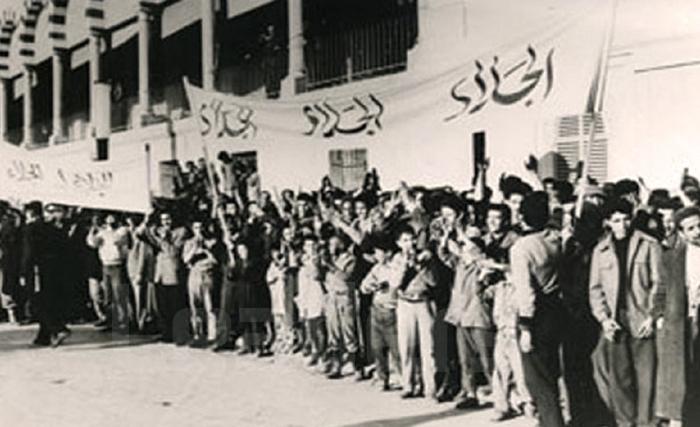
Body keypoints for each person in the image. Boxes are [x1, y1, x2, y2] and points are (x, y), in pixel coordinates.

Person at [589, 198, 664, 427]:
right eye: (616, 220)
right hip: (616, 320)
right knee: (620, 378)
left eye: (626, 218)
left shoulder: (649, 244)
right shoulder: (600, 250)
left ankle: (647, 423)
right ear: (608, 223)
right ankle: (625, 422)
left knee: (646, 377)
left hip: (641, 317)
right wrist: (604, 319)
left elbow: (659, 284)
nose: (622, 224)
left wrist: (652, 316)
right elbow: (595, 289)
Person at [510, 191, 566, 427]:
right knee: (551, 374)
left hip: (536, 314)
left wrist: (525, 328)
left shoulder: (521, 248)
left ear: (523, 217)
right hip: (556, 309)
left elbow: (526, 291)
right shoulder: (556, 240)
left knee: (538, 381)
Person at [438, 230, 495, 409]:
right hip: (461, 317)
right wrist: (446, 236)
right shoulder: (460, 265)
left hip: (478, 317)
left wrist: (467, 242)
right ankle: (470, 393)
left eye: (472, 249)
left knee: (487, 359)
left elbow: (485, 271)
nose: (466, 252)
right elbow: (444, 254)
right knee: (465, 359)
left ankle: (499, 393)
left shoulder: (484, 266)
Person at [656, 206, 700, 426]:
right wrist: (659, 315)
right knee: (682, 374)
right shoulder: (670, 258)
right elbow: (661, 290)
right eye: (691, 228)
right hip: (682, 323)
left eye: (699, 225)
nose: (697, 231)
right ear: (681, 233)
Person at [390, 224, 439, 400]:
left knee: (429, 347)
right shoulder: (396, 259)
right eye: (404, 241)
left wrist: (421, 266)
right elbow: (395, 284)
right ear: (398, 243)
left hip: (424, 302)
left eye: (411, 239)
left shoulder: (426, 257)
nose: (409, 244)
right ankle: (408, 384)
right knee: (406, 345)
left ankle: (430, 387)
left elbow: (433, 282)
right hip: (405, 303)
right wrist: (405, 264)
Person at [136, 211, 189, 344]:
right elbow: (139, 234)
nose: (166, 222)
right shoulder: (157, 231)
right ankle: (166, 333)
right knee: (162, 306)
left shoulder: (180, 231)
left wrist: (163, 238)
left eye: (168, 219)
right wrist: (146, 220)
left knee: (176, 305)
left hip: (173, 272)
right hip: (160, 274)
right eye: (163, 220)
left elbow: (173, 251)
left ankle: (180, 334)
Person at [360, 235, 401, 391]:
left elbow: (396, 283)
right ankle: (382, 377)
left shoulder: (395, 266)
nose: (376, 255)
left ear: (388, 253)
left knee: (395, 347)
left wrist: (386, 285)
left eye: (379, 252)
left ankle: (399, 376)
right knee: (377, 347)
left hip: (391, 310)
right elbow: (364, 286)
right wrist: (369, 287)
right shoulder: (377, 268)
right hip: (377, 309)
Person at [323, 233, 361, 379]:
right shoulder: (330, 259)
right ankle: (336, 364)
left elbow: (346, 277)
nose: (331, 247)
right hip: (332, 297)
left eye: (334, 244)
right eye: (330, 244)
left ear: (342, 244)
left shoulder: (350, 259)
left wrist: (330, 266)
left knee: (349, 331)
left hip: (344, 298)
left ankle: (357, 366)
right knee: (333, 332)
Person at [86, 211, 132, 332]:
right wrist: (93, 231)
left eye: (113, 217)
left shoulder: (122, 230)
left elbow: (117, 240)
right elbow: (92, 243)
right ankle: (110, 320)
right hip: (105, 265)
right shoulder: (103, 232)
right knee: (108, 296)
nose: (110, 219)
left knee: (119, 294)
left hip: (117, 265)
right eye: (108, 217)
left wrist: (106, 231)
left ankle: (123, 321)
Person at [182, 218, 219, 347]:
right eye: (196, 228)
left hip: (207, 275)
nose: (199, 230)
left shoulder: (211, 242)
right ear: (193, 229)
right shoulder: (189, 243)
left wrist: (205, 250)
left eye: (201, 227)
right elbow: (185, 259)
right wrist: (195, 249)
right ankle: (198, 334)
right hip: (194, 275)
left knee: (210, 307)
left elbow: (215, 261)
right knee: (195, 307)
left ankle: (212, 336)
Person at [296, 236, 328, 369]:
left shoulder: (320, 259)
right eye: (307, 245)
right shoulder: (303, 260)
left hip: (318, 294)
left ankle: (323, 353)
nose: (310, 248)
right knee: (310, 326)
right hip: (306, 293)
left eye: (313, 245)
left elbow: (317, 274)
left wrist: (314, 263)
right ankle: (314, 350)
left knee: (319, 325)